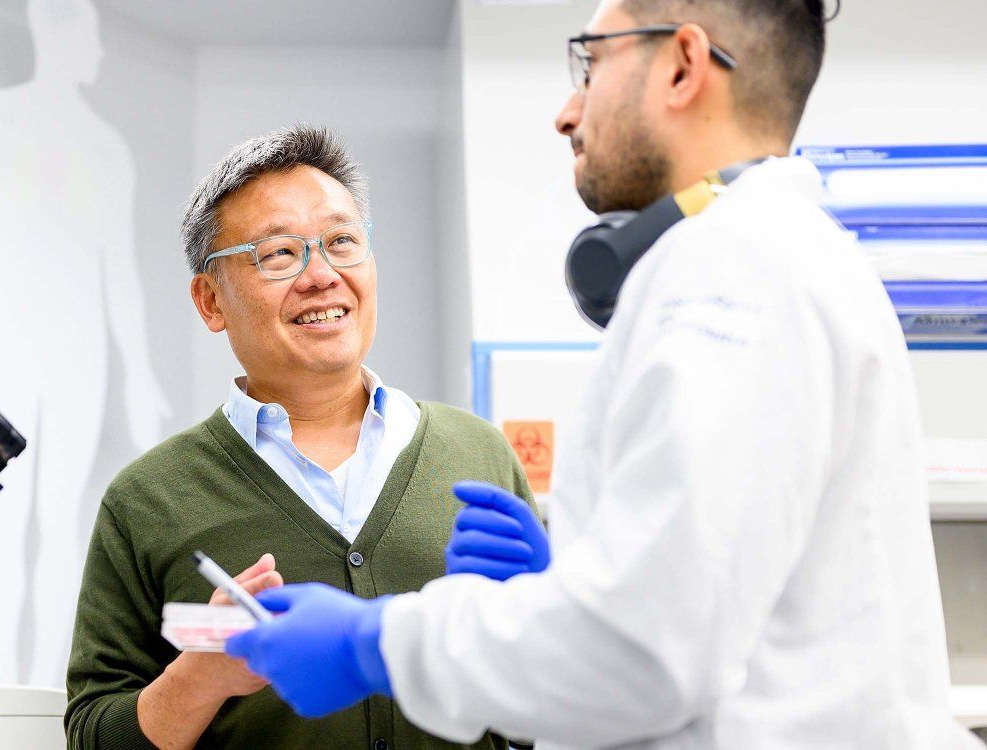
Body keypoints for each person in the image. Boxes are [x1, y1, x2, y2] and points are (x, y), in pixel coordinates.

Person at [226, 2, 978, 748]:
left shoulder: (730, 265)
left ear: (683, 66)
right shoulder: (783, 255)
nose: (566, 112)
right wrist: (575, 583)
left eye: (591, 63)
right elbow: (704, 613)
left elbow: (643, 652)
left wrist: (376, 641)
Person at [64, 124, 541, 749]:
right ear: (211, 301)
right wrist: (201, 677)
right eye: (280, 254)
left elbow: (558, 698)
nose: (322, 275)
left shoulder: (479, 457)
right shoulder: (147, 500)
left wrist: (534, 629)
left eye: (342, 241)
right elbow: (92, 738)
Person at [0, 0, 169, 685]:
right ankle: (3, 674)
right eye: (93, 39)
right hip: (12, 339)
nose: (103, 55)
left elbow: (122, 272)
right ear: (60, 36)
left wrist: (140, 375)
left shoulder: (108, 146)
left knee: (61, 518)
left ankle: (46, 683)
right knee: (7, 510)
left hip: (80, 351)